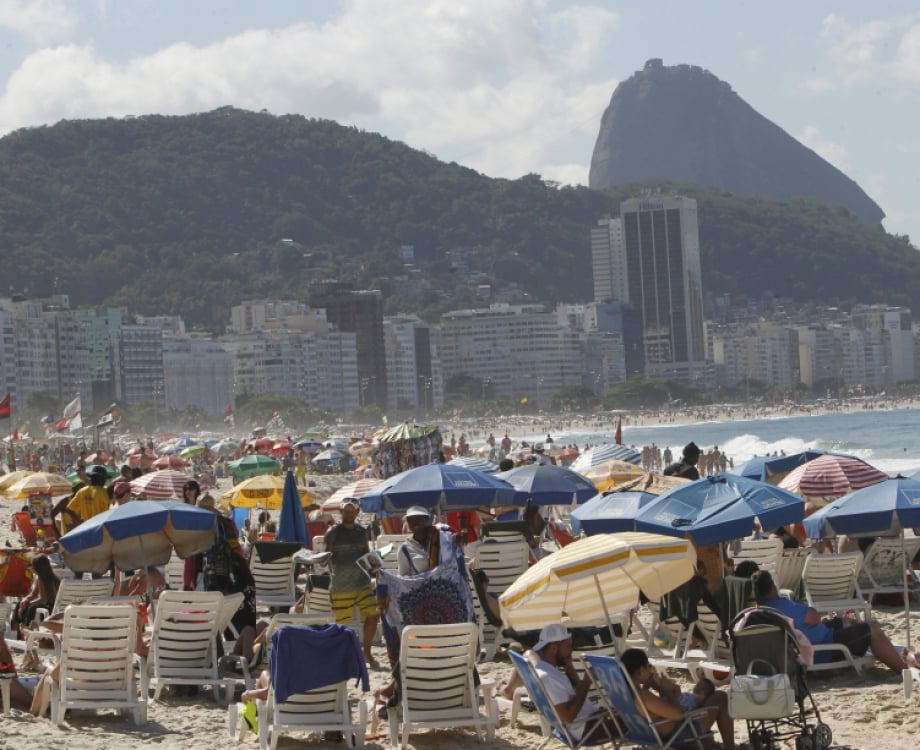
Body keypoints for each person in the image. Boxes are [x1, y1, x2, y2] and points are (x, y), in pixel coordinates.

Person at [751, 569, 918, 671]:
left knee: (845, 621)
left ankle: (896, 652)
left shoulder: (759, 610)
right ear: (772, 587)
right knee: (872, 628)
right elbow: (813, 616)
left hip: (813, 641)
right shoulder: (783, 607)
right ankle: (902, 668)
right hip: (822, 650)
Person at [621, 647, 734, 749]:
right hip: (680, 732)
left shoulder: (627, 693)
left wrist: (659, 690)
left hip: (661, 732)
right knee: (721, 697)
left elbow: (657, 713)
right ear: (641, 671)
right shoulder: (643, 696)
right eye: (648, 666)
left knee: (700, 700)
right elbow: (678, 715)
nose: (651, 670)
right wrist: (666, 691)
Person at [530, 624, 620, 742]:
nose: (571, 650)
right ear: (553, 648)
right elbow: (568, 717)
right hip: (587, 729)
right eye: (568, 646)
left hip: (588, 722)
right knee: (639, 717)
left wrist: (568, 664)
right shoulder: (549, 678)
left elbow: (575, 690)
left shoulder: (546, 669)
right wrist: (587, 682)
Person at [324, 499, 379, 667]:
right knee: (342, 626)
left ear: (357, 513)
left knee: (373, 614)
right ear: (341, 512)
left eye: (352, 511)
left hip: (361, 583)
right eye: (346, 511)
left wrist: (374, 569)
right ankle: (343, 658)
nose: (349, 514)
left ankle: (367, 653)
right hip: (341, 586)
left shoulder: (362, 532)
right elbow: (326, 558)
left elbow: (366, 555)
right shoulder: (332, 533)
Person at [11, 555, 60, 638]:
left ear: (38, 568)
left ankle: (24, 633)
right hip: (47, 607)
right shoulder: (51, 578)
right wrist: (25, 600)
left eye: (32, 566)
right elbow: (33, 594)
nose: (31, 568)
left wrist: (27, 604)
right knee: (19, 604)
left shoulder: (43, 579)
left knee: (31, 607)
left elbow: (43, 600)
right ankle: (16, 634)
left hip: (49, 609)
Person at [60, 464, 111, 534]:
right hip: (100, 529)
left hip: (85, 530)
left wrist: (80, 522)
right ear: (101, 479)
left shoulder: (81, 492)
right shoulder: (104, 492)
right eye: (104, 479)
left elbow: (69, 510)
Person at [397, 506, 437, 576]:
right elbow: (403, 576)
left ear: (427, 520)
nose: (415, 522)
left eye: (419, 518)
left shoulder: (439, 540)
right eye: (410, 520)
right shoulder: (404, 549)